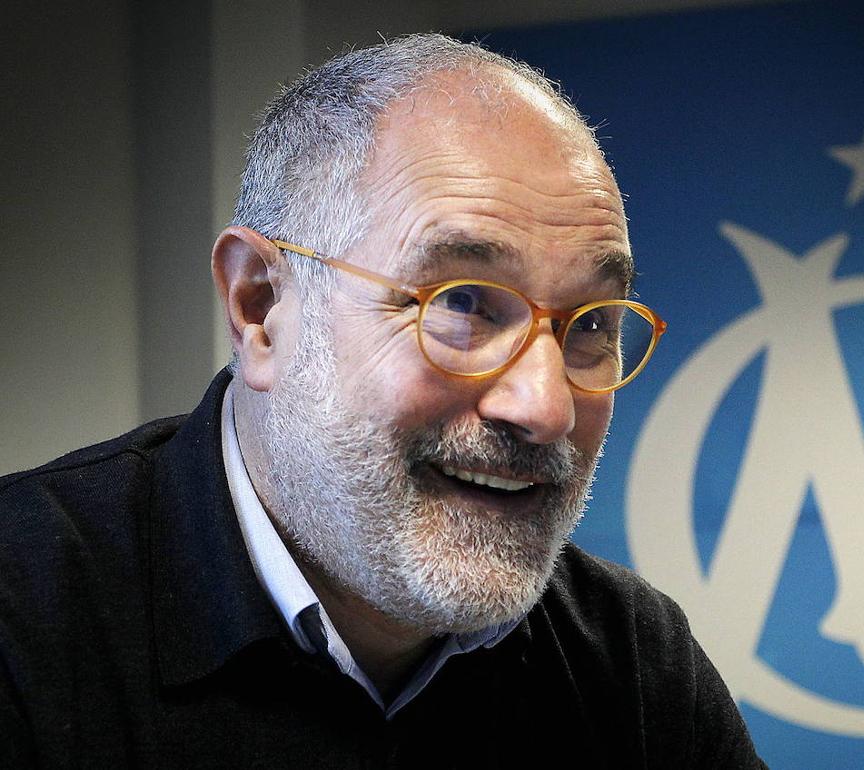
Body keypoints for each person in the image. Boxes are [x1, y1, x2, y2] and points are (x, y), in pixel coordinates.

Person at [0, 34, 764, 767]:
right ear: (261, 307)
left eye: (591, 325)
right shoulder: (25, 616)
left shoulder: (632, 668)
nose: (546, 408)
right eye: (463, 303)